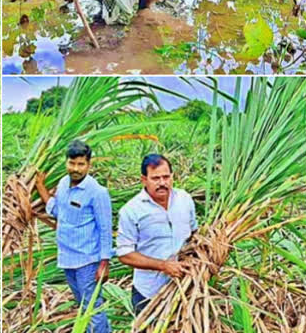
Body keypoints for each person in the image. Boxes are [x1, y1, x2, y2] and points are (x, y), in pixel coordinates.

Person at [36, 140, 112, 333]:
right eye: (72, 163)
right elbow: (57, 211)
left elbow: (105, 229)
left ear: (89, 164)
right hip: (67, 259)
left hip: (87, 261)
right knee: (83, 305)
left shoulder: (97, 193)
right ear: (66, 162)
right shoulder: (63, 184)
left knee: (92, 308)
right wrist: (41, 188)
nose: (75, 168)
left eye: (80, 164)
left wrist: (104, 263)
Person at [116, 154, 197, 316]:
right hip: (148, 294)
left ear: (172, 177)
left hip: (185, 289)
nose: (162, 183)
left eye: (166, 177)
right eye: (156, 178)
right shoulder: (131, 211)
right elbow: (124, 254)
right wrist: (163, 266)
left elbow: (194, 233)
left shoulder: (185, 200)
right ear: (143, 179)